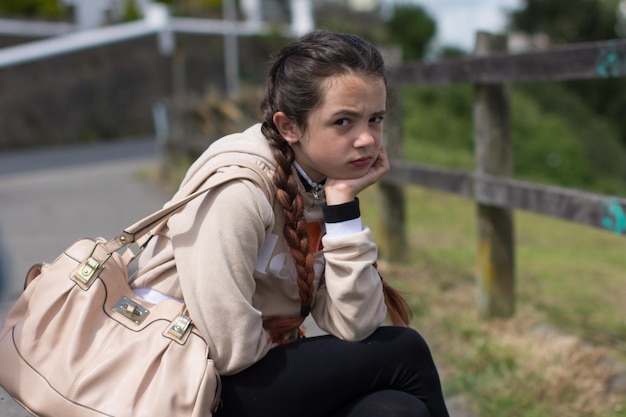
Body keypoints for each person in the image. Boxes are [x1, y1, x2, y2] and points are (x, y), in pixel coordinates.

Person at [131, 30, 450, 417]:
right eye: (343, 122)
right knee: (405, 351)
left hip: (246, 379)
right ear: (289, 127)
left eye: (375, 119)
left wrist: (342, 206)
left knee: (394, 410)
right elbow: (229, 349)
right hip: (184, 387)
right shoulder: (238, 190)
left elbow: (356, 325)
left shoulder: (317, 186)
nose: (367, 139)